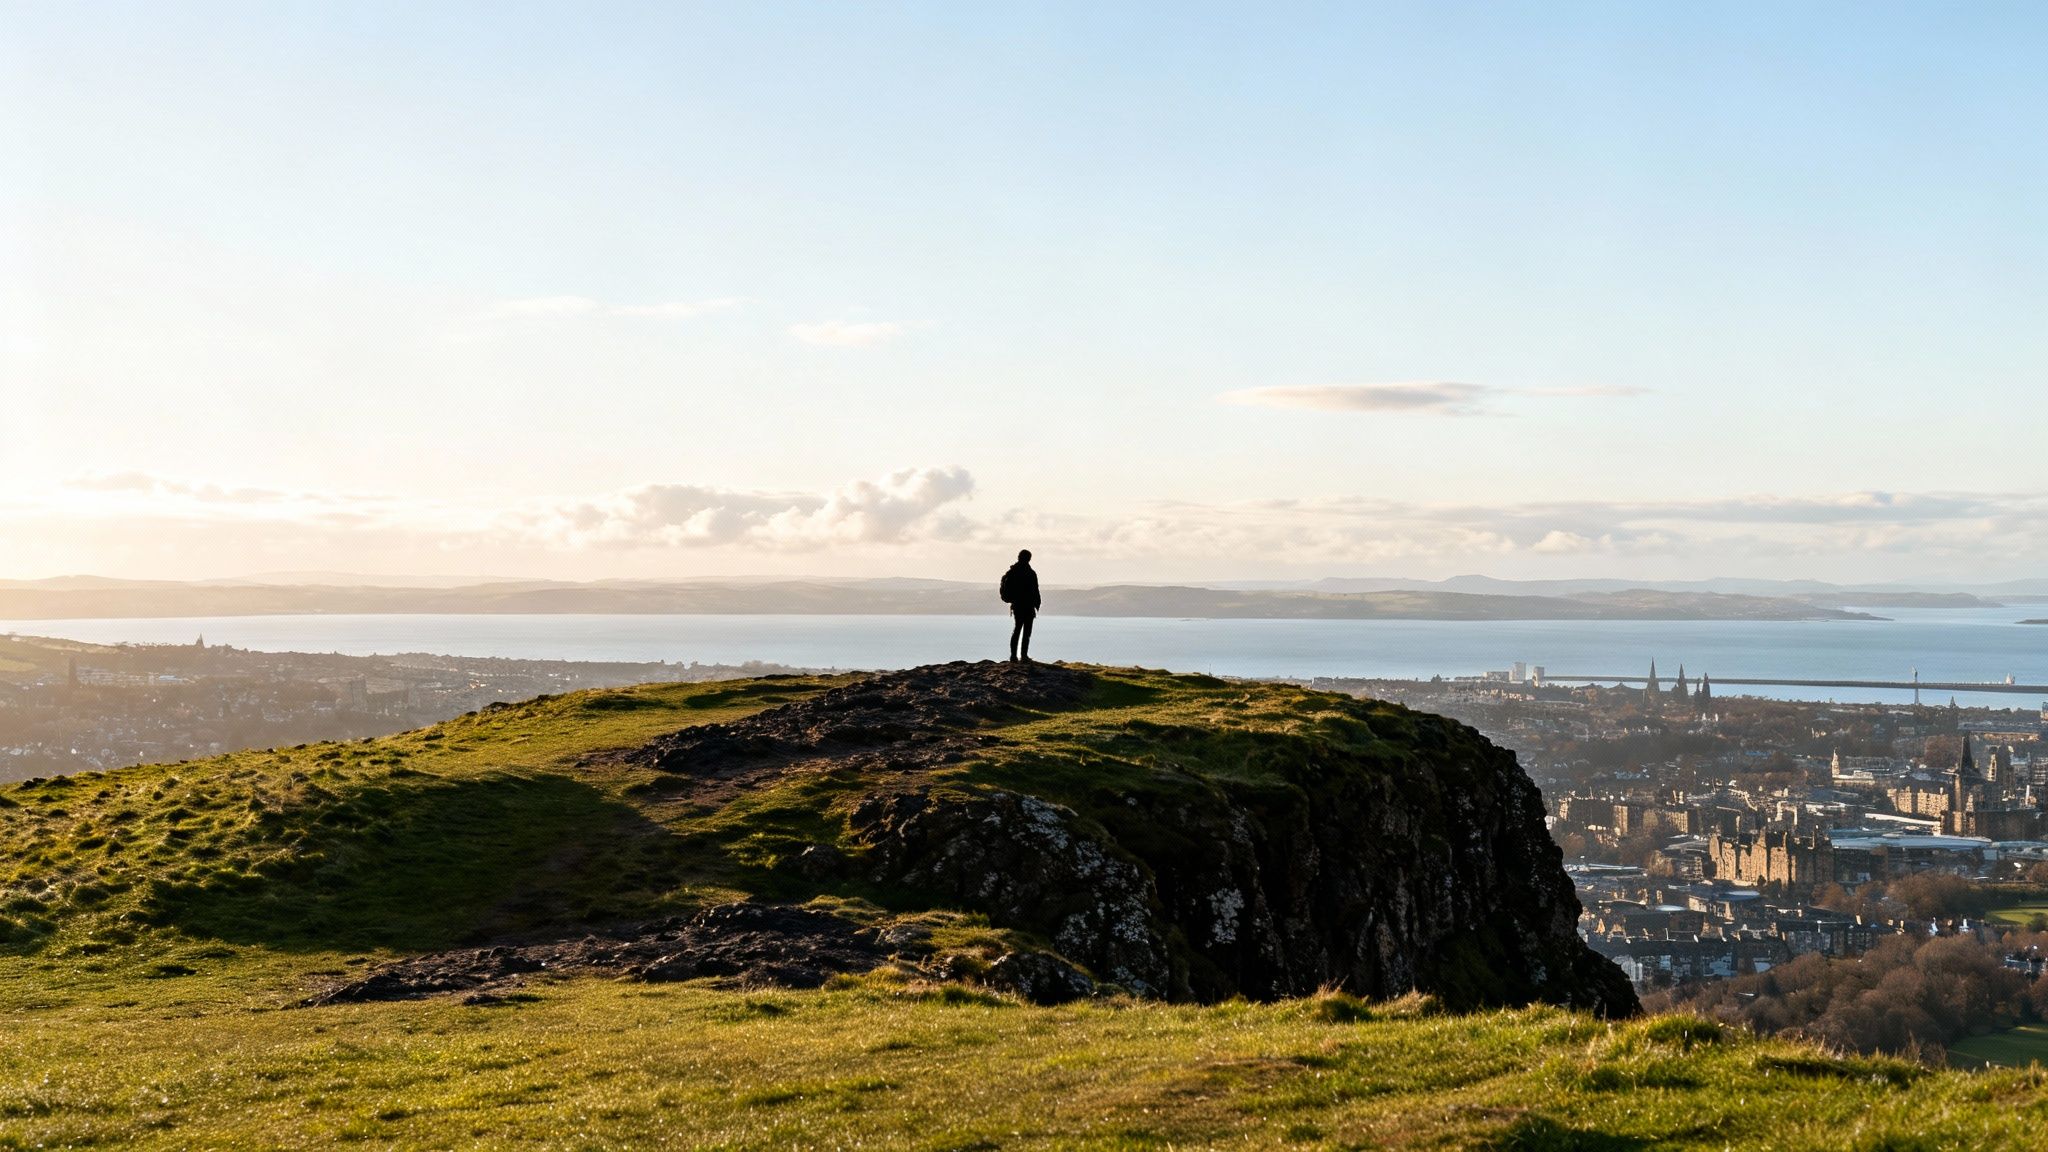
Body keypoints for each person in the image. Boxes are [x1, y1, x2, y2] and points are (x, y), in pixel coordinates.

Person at [999, 549, 1041, 662]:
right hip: (1028, 606)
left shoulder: (1013, 572)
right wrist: (1037, 603)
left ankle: (1013, 656)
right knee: (1026, 631)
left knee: (1017, 629)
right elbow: (1035, 590)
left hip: (1017, 605)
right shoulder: (1030, 573)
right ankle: (1024, 656)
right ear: (1029, 558)